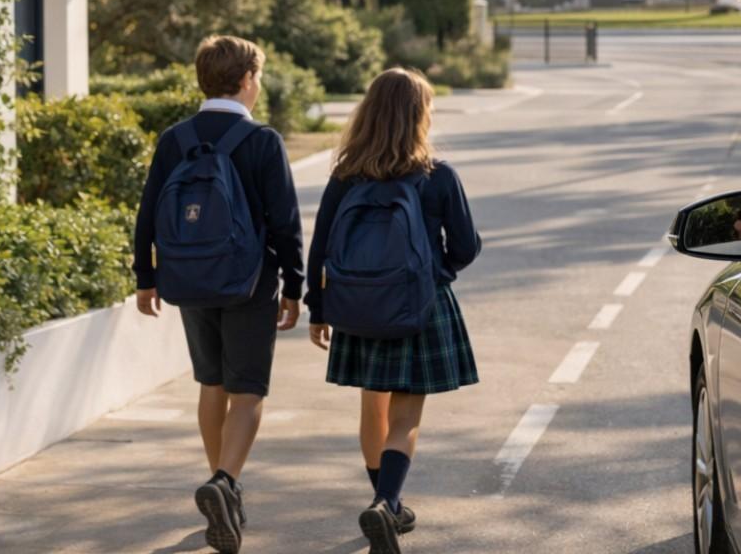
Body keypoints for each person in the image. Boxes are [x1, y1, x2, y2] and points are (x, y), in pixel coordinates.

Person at [132, 36, 303, 554]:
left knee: (211, 382)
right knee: (248, 389)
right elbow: (285, 222)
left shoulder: (174, 139)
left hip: (188, 280)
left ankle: (221, 482)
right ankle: (225, 482)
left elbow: (147, 215)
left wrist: (145, 278)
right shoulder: (262, 142)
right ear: (247, 80)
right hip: (249, 283)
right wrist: (295, 287)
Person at [305, 68, 481, 554]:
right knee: (405, 417)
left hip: (357, 305)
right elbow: (465, 247)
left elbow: (319, 248)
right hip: (418, 305)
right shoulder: (438, 176)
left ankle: (387, 503)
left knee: (372, 407)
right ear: (419, 115)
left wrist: (316, 309)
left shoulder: (345, 176)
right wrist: (438, 269)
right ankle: (387, 504)